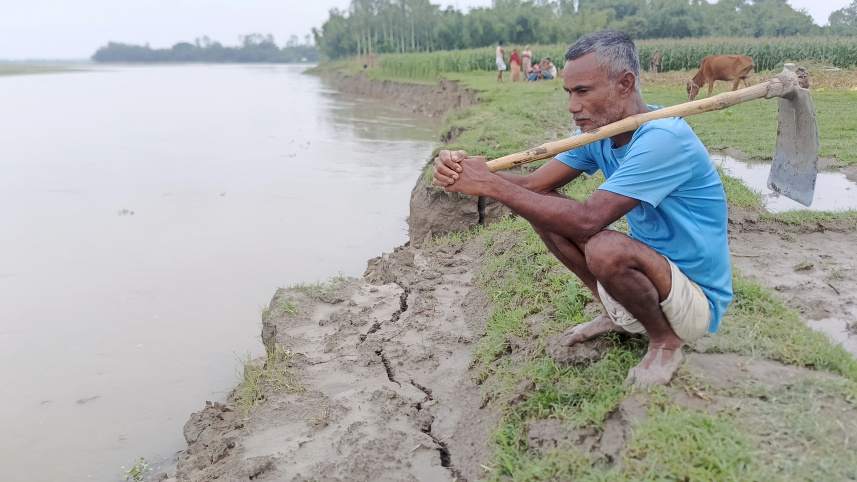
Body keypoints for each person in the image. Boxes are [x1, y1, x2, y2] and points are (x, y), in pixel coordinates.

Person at [432, 30, 732, 387]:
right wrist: (469, 174)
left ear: (625, 83)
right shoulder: (602, 134)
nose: (573, 107)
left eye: (583, 92)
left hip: (694, 301)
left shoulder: (663, 139)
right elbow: (533, 187)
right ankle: (616, 312)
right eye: (569, 93)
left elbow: (589, 221)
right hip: (651, 278)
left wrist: (489, 184)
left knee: (605, 246)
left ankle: (665, 342)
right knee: (542, 209)